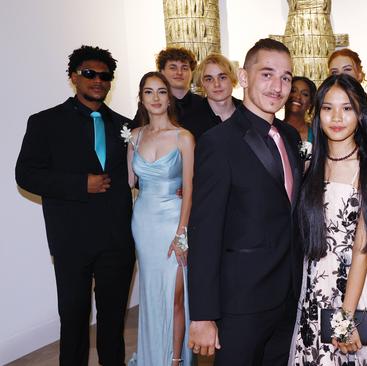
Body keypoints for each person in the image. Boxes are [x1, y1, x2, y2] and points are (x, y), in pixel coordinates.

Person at [15, 45, 135, 365]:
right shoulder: (45, 122)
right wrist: (80, 184)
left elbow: (140, 172)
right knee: (73, 320)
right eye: (89, 74)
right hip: (72, 242)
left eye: (104, 75)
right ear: (73, 78)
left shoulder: (127, 125)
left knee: (112, 324)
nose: (98, 80)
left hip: (117, 242)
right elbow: (26, 174)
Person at [187, 38, 303, 366]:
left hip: (288, 295)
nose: (277, 86)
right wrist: (203, 315)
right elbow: (205, 231)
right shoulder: (218, 143)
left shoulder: (291, 136)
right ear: (244, 76)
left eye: (285, 77)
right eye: (267, 74)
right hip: (240, 302)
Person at [290, 74, 367, 365]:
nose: (336, 117)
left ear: (360, 113)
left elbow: (362, 247)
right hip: (317, 284)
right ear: (317, 113)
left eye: (347, 108)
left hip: (359, 287)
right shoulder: (311, 166)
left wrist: (345, 317)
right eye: (328, 108)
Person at [127, 72, 195, 366]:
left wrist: (182, 233)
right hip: (143, 222)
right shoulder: (134, 136)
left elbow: (191, 188)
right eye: (148, 92)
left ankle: (175, 359)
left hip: (173, 221)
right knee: (151, 293)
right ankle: (152, 355)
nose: (155, 98)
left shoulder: (184, 137)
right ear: (141, 98)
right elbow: (130, 181)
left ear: (169, 98)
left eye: (161, 92)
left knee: (175, 295)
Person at [183, 53, 242, 139]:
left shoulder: (249, 113)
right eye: (209, 79)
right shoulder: (190, 120)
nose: (216, 84)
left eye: (222, 77)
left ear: (232, 79)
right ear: (202, 83)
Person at [284, 76, 317, 142]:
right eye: (293, 91)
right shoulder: (272, 131)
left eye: (305, 94)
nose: (298, 96)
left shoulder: (316, 135)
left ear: (310, 103)